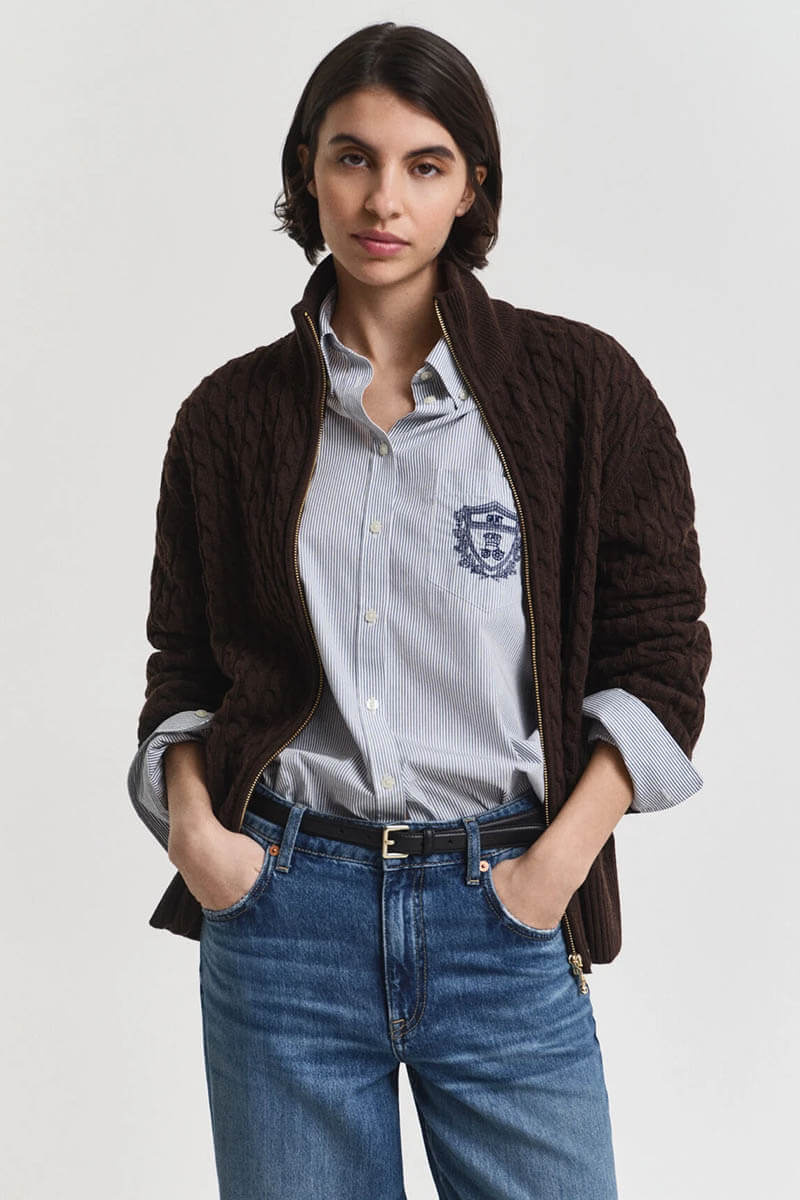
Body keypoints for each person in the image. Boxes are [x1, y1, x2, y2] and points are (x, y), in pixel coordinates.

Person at [127, 21, 712, 1200]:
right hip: (282, 917)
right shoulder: (228, 418)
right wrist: (198, 837)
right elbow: (185, 668)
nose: (381, 198)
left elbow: (658, 656)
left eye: (423, 164)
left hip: (503, 910)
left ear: (469, 185)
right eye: (351, 157)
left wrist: (554, 867)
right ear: (306, 172)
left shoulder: (581, 390)